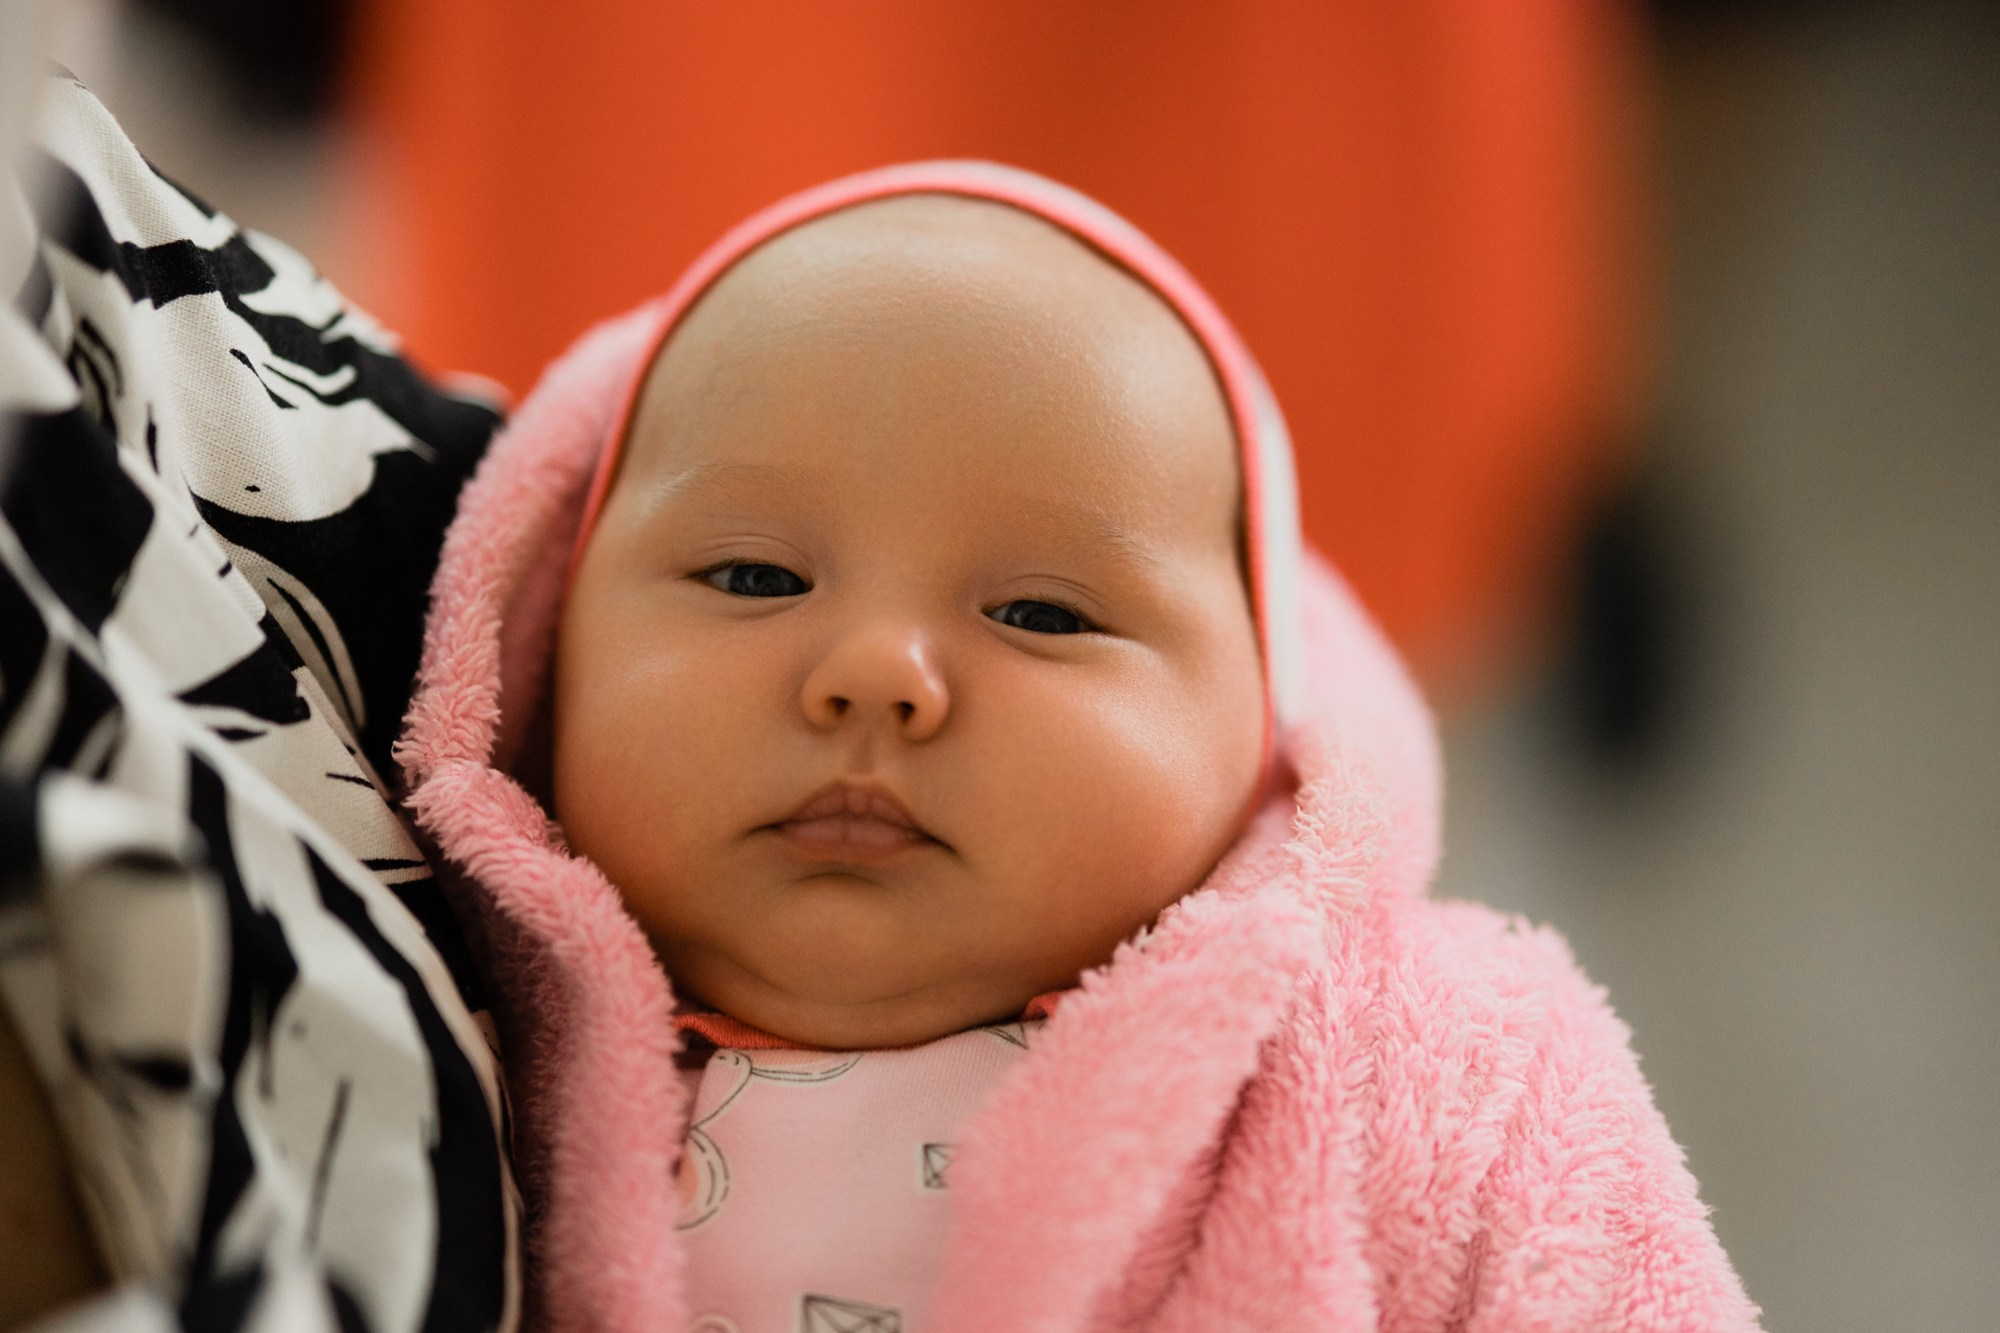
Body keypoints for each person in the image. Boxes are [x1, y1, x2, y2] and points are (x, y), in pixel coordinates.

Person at [397, 164, 1761, 1332]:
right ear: (546, 639)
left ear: (1267, 732)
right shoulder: (428, 1017)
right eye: (754, 577)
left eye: (1043, 612)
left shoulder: (1452, 1071)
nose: (877, 675)